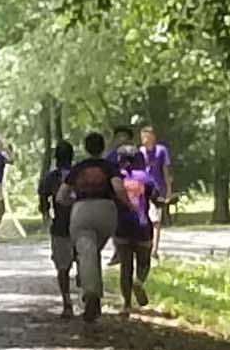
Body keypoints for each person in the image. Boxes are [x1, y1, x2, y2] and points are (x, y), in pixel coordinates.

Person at [56, 132, 126, 322]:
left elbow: (61, 196)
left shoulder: (78, 169)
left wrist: (73, 201)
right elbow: (119, 188)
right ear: (102, 147)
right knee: (93, 252)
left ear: (86, 148)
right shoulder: (109, 167)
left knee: (86, 251)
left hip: (82, 210)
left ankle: (92, 294)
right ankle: (94, 294)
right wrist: (129, 205)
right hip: (106, 210)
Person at [114, 148, 157, 318]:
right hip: (142, 226)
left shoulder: (116, 178)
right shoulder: (146, 177)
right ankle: (139, 282)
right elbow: (156, 198)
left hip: (122, 226)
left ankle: (126, 305)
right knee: (144, 261)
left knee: (125, 267)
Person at [37, 140, 77, 318]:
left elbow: (43, 202)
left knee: (62, 268)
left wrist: (47, 217)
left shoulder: (50, 178)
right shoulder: (80, 175)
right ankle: (88, 291)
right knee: (85, 259)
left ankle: (67, 302)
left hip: (60, 225)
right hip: (81, 223)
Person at [139, 124, 175, 257]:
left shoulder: (161, 151)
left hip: (157, 189)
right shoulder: (140, 152)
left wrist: (168, 191)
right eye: (143, 137)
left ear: (153, 137)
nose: (145, 140)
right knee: (143, 219)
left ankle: (154, 249)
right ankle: (145, 246)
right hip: (142, 190)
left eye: (147, 137)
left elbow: (165, 172)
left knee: (156, 220)